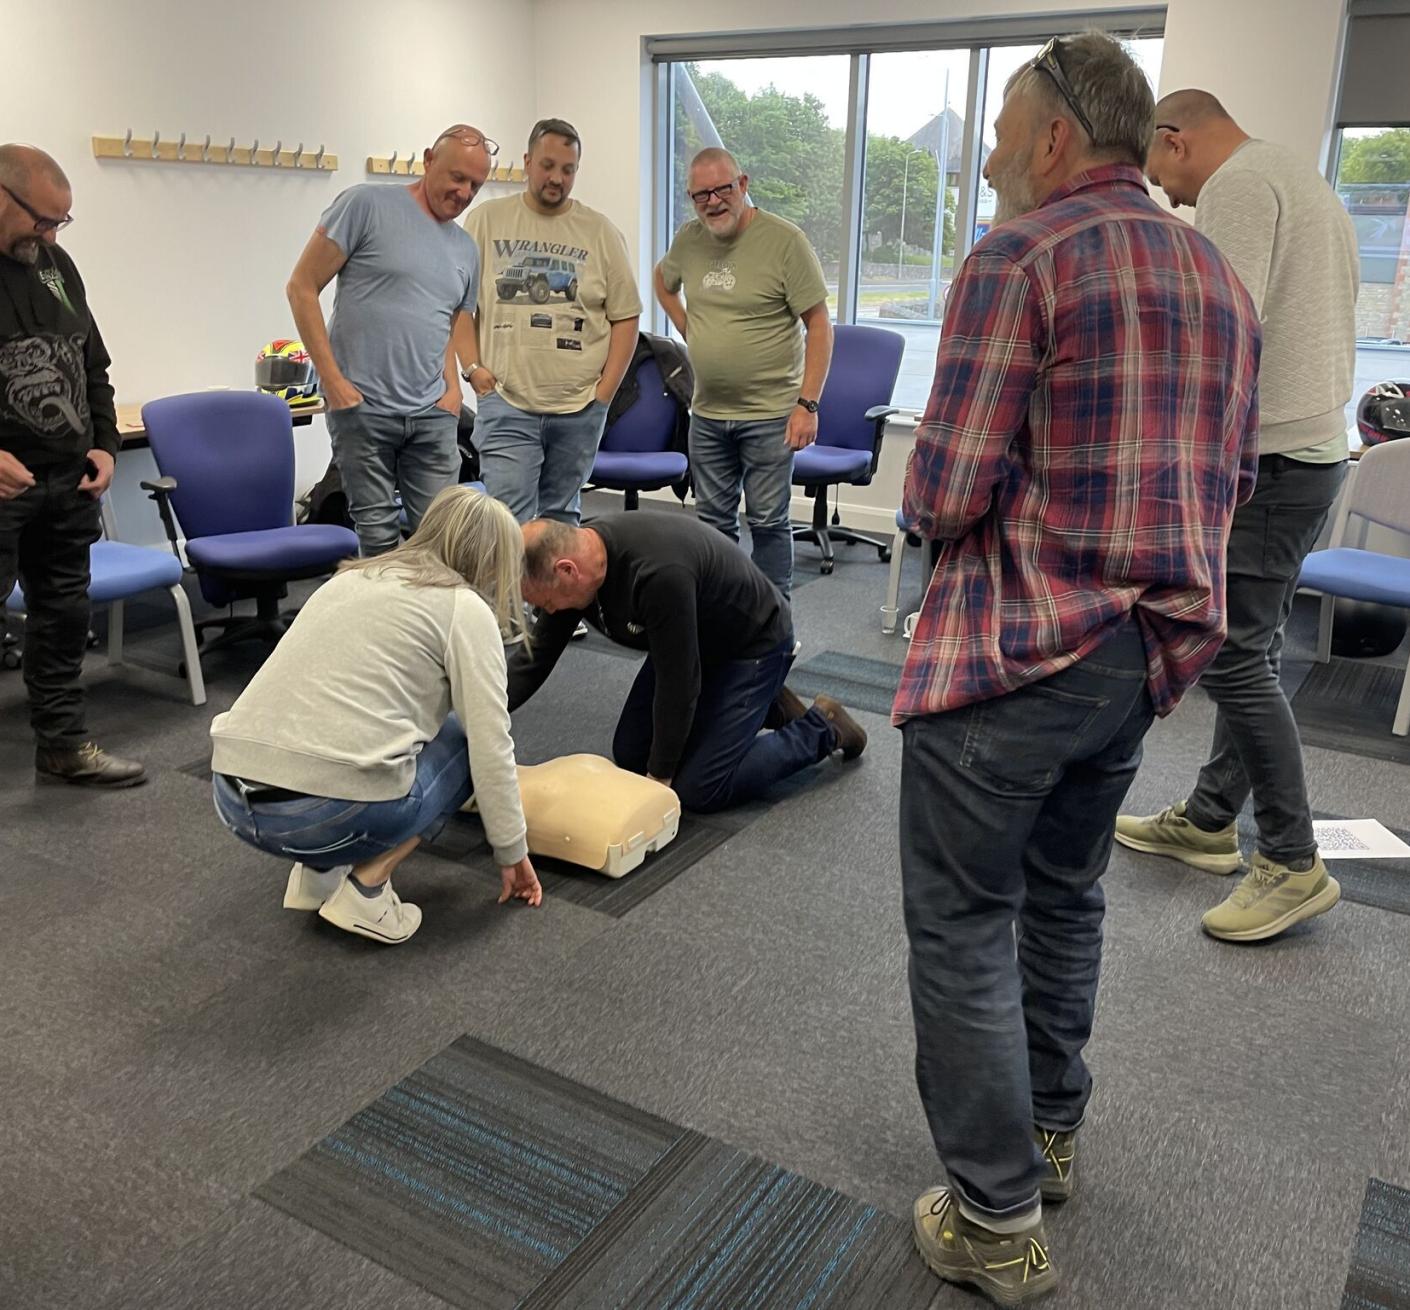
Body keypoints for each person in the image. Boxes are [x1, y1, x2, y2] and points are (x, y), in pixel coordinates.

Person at [895, 36, 1260, 1304]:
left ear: (1055, 137)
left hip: (1015, 647)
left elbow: (944, 488)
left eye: (1001, 129)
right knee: (1066, 898)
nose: (990, 154)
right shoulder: (1217, 275)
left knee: (960, 919)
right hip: (1140, 654)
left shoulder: (1021, 257)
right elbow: (1235, 483)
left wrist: (955, 508)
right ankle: (1048, 1133)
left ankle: (994, 1218)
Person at [1123, 90, 1359, 943]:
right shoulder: (1299, 176)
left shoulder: (1237, 185)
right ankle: (1213, 817)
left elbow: (1220, 332)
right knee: (1250, 646)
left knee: (1229, 656)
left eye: (1165, 180)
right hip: (1311, 451)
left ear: (1174, 139)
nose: (1175, 200)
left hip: (1272, 459)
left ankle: (1293, 862)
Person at [210, 487, 541, 945]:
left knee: (348, 721)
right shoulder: (463, 609)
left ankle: (319, 874)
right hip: (312, 816)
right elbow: (492, 743)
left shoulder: (350, 578)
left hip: (230, 796)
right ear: (492, 561)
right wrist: (512, 850)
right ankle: (367, 889)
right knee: (461, 747)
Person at [508, 511, 866, 813]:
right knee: (631, 753)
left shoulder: (656, 573)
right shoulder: (574, 562)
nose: (548, 610)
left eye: (547, 601)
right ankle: (765, 704)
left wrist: (660, 781)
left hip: (753, 644)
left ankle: (823, 727)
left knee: (699, 788)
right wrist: (476, 716)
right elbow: (534, 659)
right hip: (692, 643)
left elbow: (677, 683)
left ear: (567, 570)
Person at [0, 144, 144, 788]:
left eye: (61, 222)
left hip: (66, 484)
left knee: (62, 618)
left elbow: (92, 365)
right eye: (42, 220)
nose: (52, 234)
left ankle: (62, 745)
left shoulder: (55, 266)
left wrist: (105, 445)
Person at [287, 124, 493, 557]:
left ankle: (432, 627)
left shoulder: (465, 248)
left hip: (433, 416)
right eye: (457, 177)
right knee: (379, 545)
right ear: (428, 160)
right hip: (364, 410)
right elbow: (302, 287)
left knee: (438, 546)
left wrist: (453, 387)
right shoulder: (365, 205)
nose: (464, 192)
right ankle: (385, 625)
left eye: (475, 184)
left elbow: (453, 319)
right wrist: (333, 382)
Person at [653, 148, 833, 598]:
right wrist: (687, 325)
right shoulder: (689, 240)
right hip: (708, 414)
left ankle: (774, 624)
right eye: (701, 195)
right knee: (712, 523)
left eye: (723, 189)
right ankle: (726, 615)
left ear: (744, 184)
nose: (713, 201)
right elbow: (662, 279)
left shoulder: (784, 241)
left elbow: (819, 325)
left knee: (769, 520)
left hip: (771, 415)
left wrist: (807, 405)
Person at [462, 118, 641, 525]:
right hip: (506, 401)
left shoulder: (601, 233)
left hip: (579, 406)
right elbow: (461, 307)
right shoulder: (486, 221)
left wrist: (604, 393)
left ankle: (551, 594)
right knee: (509, 523)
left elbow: (626, 316)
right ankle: (509, 594)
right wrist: (473, 371)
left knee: (561, 521)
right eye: (547, 165)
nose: (556, 178)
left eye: (568, 169)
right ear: (526, 162)